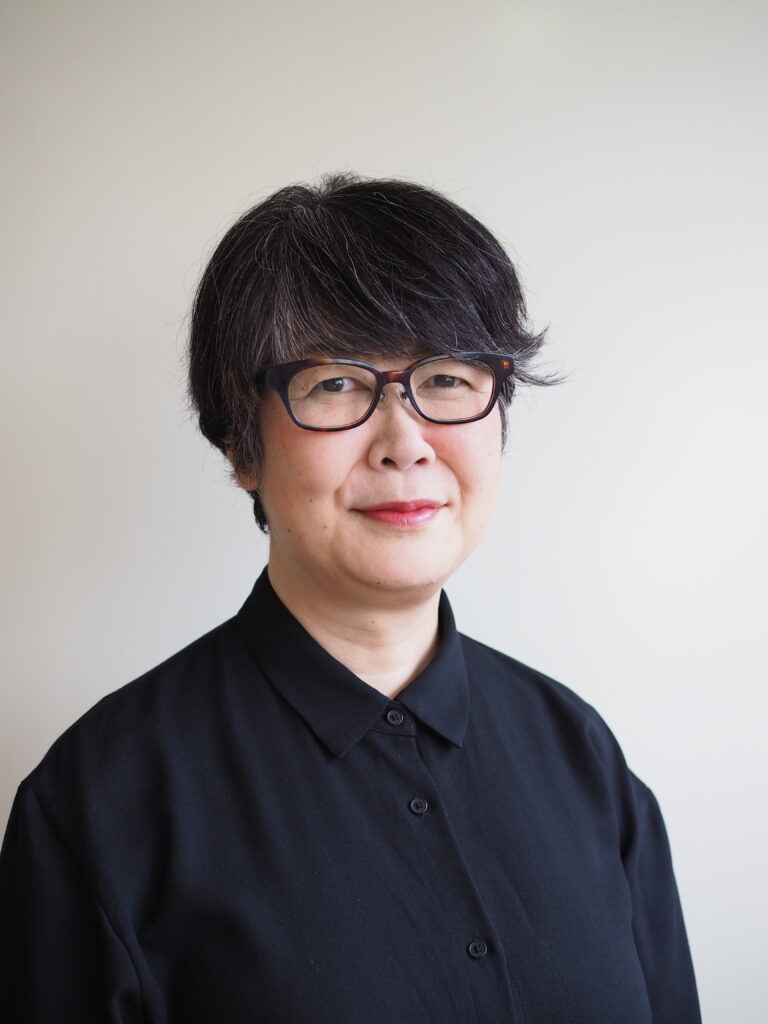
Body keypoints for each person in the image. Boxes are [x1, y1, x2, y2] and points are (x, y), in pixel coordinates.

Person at [0, 173, 701, 1023]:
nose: (406, 443)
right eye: (335, 382)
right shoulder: (99, 801)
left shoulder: (580, 754)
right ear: (241, 446)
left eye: (447, 378)